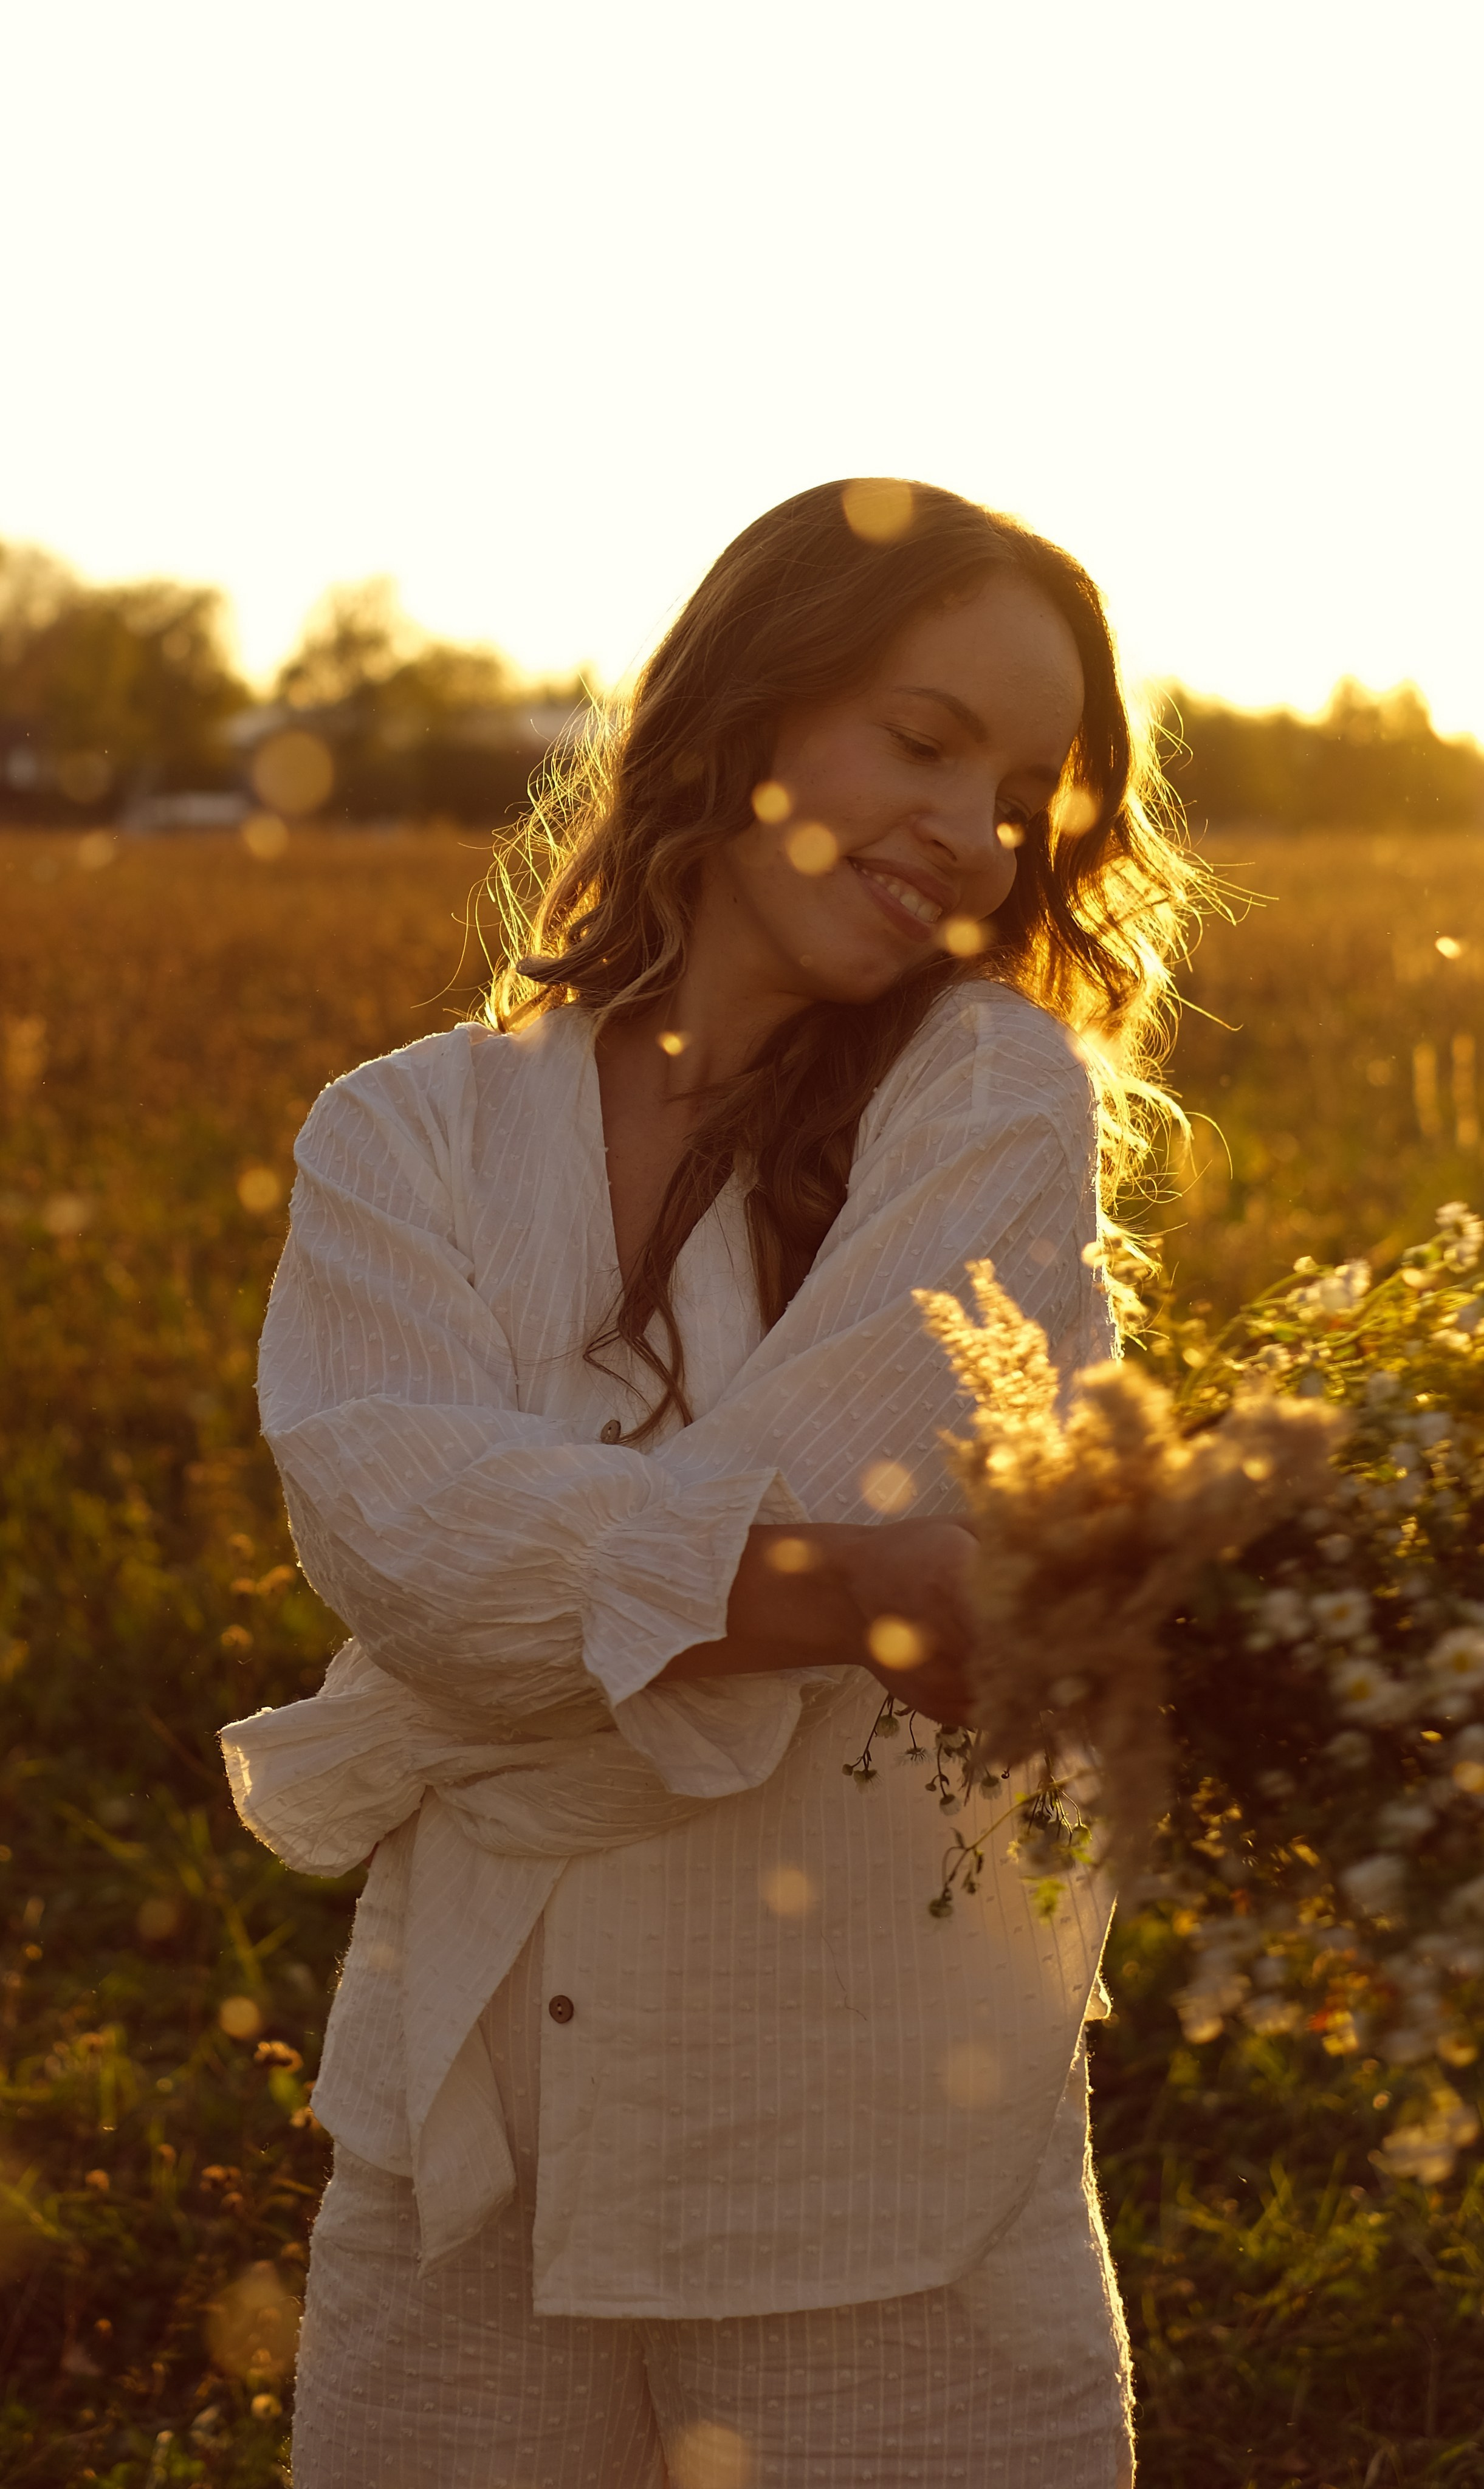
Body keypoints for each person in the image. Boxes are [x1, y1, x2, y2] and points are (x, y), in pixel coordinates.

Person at [222, 478, 1201, 2487]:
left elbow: (495, 1574)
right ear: (756, 707)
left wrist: (549, 1622)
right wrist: (853, 1591)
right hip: (470, 2141)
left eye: (1025, 791)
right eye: (922, 741)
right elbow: (396, 1539)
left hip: (880, 2144)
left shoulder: (995, 1101)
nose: (973, 831)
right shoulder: (401, 1133)